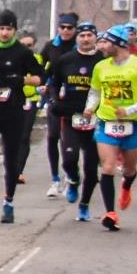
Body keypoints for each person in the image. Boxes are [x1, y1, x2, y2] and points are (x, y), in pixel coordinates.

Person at [0, 11, 44, 225]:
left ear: (15, 30)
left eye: (9, 29)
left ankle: (9, 202)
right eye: (1, 28)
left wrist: (22, 80)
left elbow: (41, 77)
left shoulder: (22, 52)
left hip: (13, 110)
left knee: (11, 158)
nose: (4, 33)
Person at [89, 23, 137, 230]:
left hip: (133, 123)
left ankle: (126, 185)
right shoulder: (101, 66)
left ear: (118, 44)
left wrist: (130, 110)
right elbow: (95, 91)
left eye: (106, 42)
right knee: (107, 167)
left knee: (129, 169)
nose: (103, 46)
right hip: (107, 122)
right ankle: (110, 213)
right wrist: (90, 108)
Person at [48, 21, 102, 220]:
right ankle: (72, 179)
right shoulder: (65, 60)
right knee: (69, 160)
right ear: (76, 38)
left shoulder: (102, 61)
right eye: (82, 36)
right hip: (71, 116)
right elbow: (53, 84)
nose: (86, 39)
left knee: (91, 168)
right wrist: (54, 101)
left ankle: (84, 205)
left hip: (95, 118)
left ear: (95, 38)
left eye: (89, 35)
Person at [42, 12, 79, 195]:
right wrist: (42, 84)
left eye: (69, 28)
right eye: (62, 27)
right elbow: (40, 68)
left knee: (69, 141)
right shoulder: (50, 46)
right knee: (52, 136)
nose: (65, 31)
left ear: (75, 29)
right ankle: (55, 179)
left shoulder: (79, 47)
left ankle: (69, 176)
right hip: (54, 95)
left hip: (74, 99)